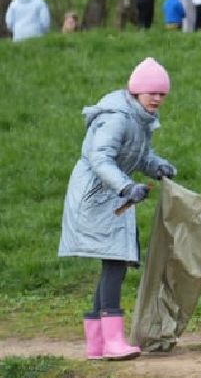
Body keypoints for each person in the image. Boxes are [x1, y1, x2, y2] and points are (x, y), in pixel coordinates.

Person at [58, 56, 178, 361]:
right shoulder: (118, 118)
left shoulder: (139, 119)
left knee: (114, 262)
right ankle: (111, 342)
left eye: (162, 94)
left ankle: (97, 343)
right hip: (97, 194)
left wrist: (157, 167)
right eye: (151, 92)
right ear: (136, 91)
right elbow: (101, 159)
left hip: (113, 194)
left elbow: (139, 154)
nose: (157, 98)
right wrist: (125, 187)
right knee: (115, 261)